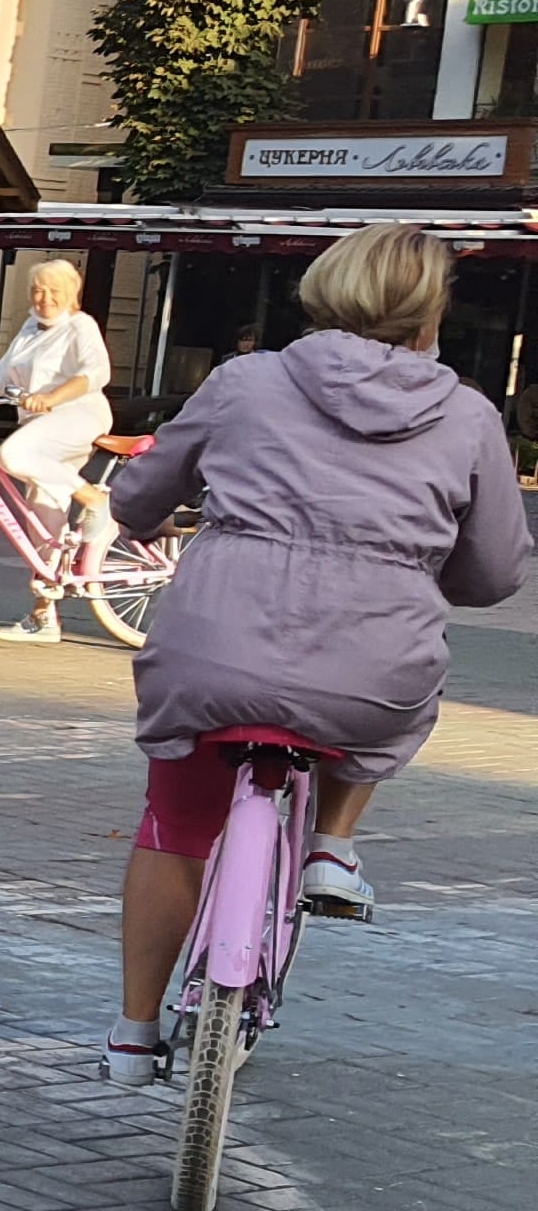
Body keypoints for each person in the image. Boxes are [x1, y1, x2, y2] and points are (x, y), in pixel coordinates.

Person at [89, 223, 529, 1085]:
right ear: (429, 315)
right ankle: (332, 843)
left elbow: (140, 493)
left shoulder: (245, 381)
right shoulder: (471, 415)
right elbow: (494, 568)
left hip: (215, 650)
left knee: (175, 827)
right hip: (371, 669)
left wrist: (144, 519)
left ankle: (134, 1035)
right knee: (377, 688)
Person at [0, 255, 111, 644]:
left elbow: (96, 373)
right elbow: (3, 374)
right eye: (38, 289)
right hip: (40, 428)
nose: (44, 297)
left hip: (78, 416)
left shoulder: (80, 326)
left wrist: (52, 397)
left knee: (11, 456)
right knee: (45, 526)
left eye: (54, 291)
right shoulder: (30, 329)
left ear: (72, 295)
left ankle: (94, 500)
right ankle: (42, 616)